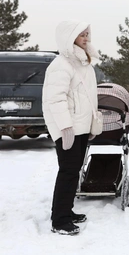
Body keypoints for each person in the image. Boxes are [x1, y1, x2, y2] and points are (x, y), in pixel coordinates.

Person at [42, 21, 103, 235]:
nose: (86, 38)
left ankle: (66, 211)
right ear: (69, 38)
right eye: (81, 35)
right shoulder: (62, 64)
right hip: (69, 128)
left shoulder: (82, 63)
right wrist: (65, 128)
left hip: (81, 127)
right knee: (67, 171)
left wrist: (92, 123)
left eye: (87, 34)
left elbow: (88, 97)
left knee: (74, 170)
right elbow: (55, 99)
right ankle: (60, 220)